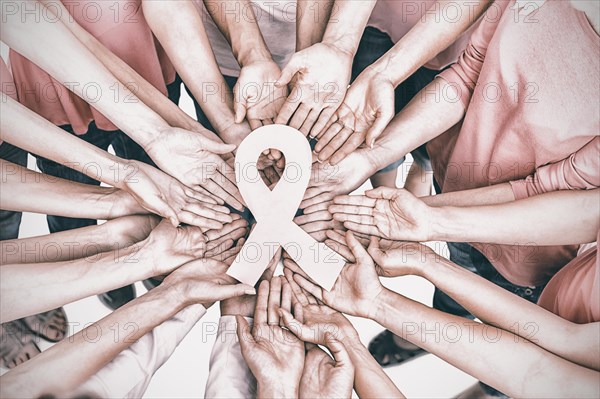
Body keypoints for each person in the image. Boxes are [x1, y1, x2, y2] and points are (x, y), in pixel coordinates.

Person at [286, 230, 600, 398]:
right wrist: (379, 301)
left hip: (555, 318)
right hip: (557, 309)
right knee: (507, 381)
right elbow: (539, 369)